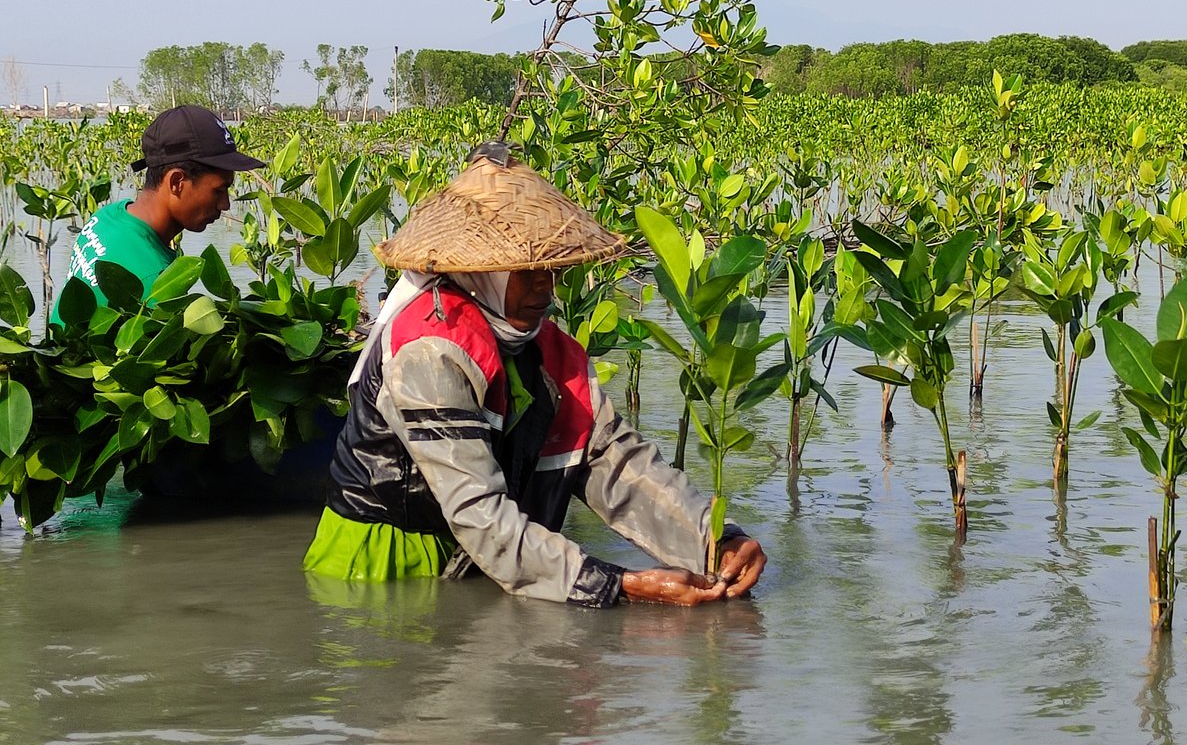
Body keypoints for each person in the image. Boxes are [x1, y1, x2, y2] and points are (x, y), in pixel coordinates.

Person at [303, 143, 766, 607]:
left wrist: (715, 542)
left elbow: (616, 462)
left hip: (484, 556)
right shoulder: (431, 350)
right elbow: (478, 513)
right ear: (480, 273)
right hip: (381, 572)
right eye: (527, 270)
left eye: (552, 268)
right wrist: (617, 584)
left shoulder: (543, 351)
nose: (546, 284)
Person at [57, 105, 264, 318]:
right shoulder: (155, 286)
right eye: (219, 190)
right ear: (177, 182)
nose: (225, 204)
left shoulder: (106, 216)